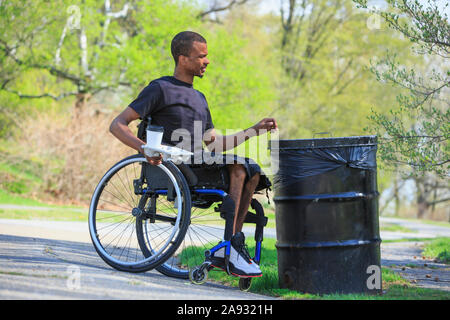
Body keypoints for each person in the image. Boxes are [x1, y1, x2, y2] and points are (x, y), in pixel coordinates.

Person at [109, 31, 277, 277]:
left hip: (197, 162)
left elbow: (215, 145)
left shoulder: (200, 98)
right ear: (182, 59)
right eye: (201, 56)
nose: (207, 61)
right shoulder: (160, 88)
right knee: (240, 168)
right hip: (171, 163)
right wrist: (143, 147)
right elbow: (117, 124)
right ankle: (230, 248)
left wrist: (254, 130)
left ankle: (232, 245)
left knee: (251, 169)